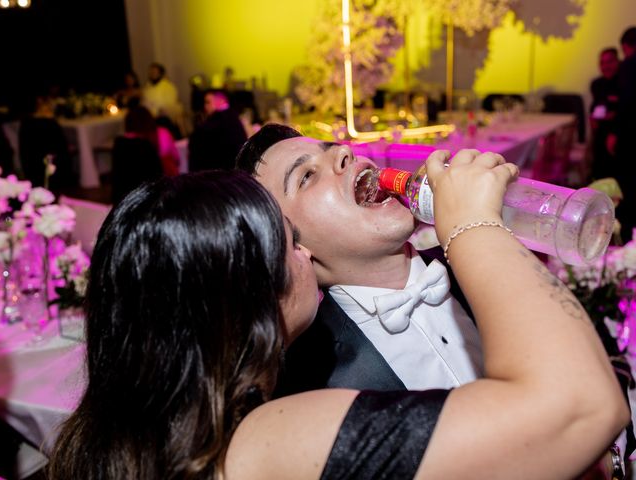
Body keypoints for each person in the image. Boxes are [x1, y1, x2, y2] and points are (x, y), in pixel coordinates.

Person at [47, 166, 628, 479]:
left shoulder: (128, 442)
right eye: (286, 242)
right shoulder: (264, 443)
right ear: (240, 299)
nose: (301, 256)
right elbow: (578, 404)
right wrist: (475, 226)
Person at [236, 125, 482, 395]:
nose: (344, 152)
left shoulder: (479, 264)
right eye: (306, 176)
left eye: (333, 149)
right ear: (290, 246)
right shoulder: (314, 387)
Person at [187, 89, 247, 171]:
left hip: (218, 172)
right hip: (232, 170)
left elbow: (195, 141)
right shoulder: (231, 116)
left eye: (208, 102)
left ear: (221, 101)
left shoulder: (219, 119)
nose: (205, 106)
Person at [613, 27, 636, 243]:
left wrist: (614, 133)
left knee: (627, 186)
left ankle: (627, 237)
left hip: (630, 137)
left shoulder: (630, 65)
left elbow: (626, 103)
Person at [589, 47, 621, 181]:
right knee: (599, 173)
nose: (605, 66)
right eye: (602, 63)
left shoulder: (625, 83)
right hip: (600, 135)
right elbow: (595, 107)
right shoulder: (597, 84)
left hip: (618, 135)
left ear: (617, 62)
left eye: (609, 62)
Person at [142, 62, 185, 139]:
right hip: (150, 118)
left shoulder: (168, 86)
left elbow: (172, 104)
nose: (152, 74)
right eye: (150, 72)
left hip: (164, 118)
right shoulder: (147, 88)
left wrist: (162, 110)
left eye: (154, 72)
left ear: (160, 74)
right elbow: (144, 102)